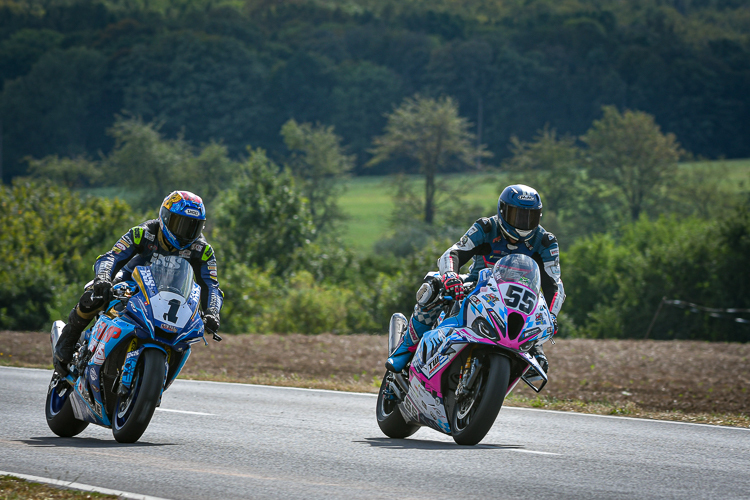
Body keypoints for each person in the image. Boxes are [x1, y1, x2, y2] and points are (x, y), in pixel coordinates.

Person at [386, 184, 565, 374]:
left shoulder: (546, 241)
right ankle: (405, 350)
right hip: (477, 286)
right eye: (517, 215)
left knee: (539, 362)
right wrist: (450, 276)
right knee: (433, 286)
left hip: (518, 301)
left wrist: (551, 316)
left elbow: (554, 284)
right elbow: (453, 253)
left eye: (530, 217)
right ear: (502, 210)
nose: (523, 223)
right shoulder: (486, 227)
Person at [53, 190, 224, 376]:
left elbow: (212, 286)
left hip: (173, 297)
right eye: (180, 224)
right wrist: (103, 278)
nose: (186, 232)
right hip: (131, 282)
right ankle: (68, 340)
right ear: (165, 218)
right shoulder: (142, 233)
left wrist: (212, 312)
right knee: (94, 295)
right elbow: (111, 257)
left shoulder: (203, 250)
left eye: (193, 227)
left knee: (187, 335)